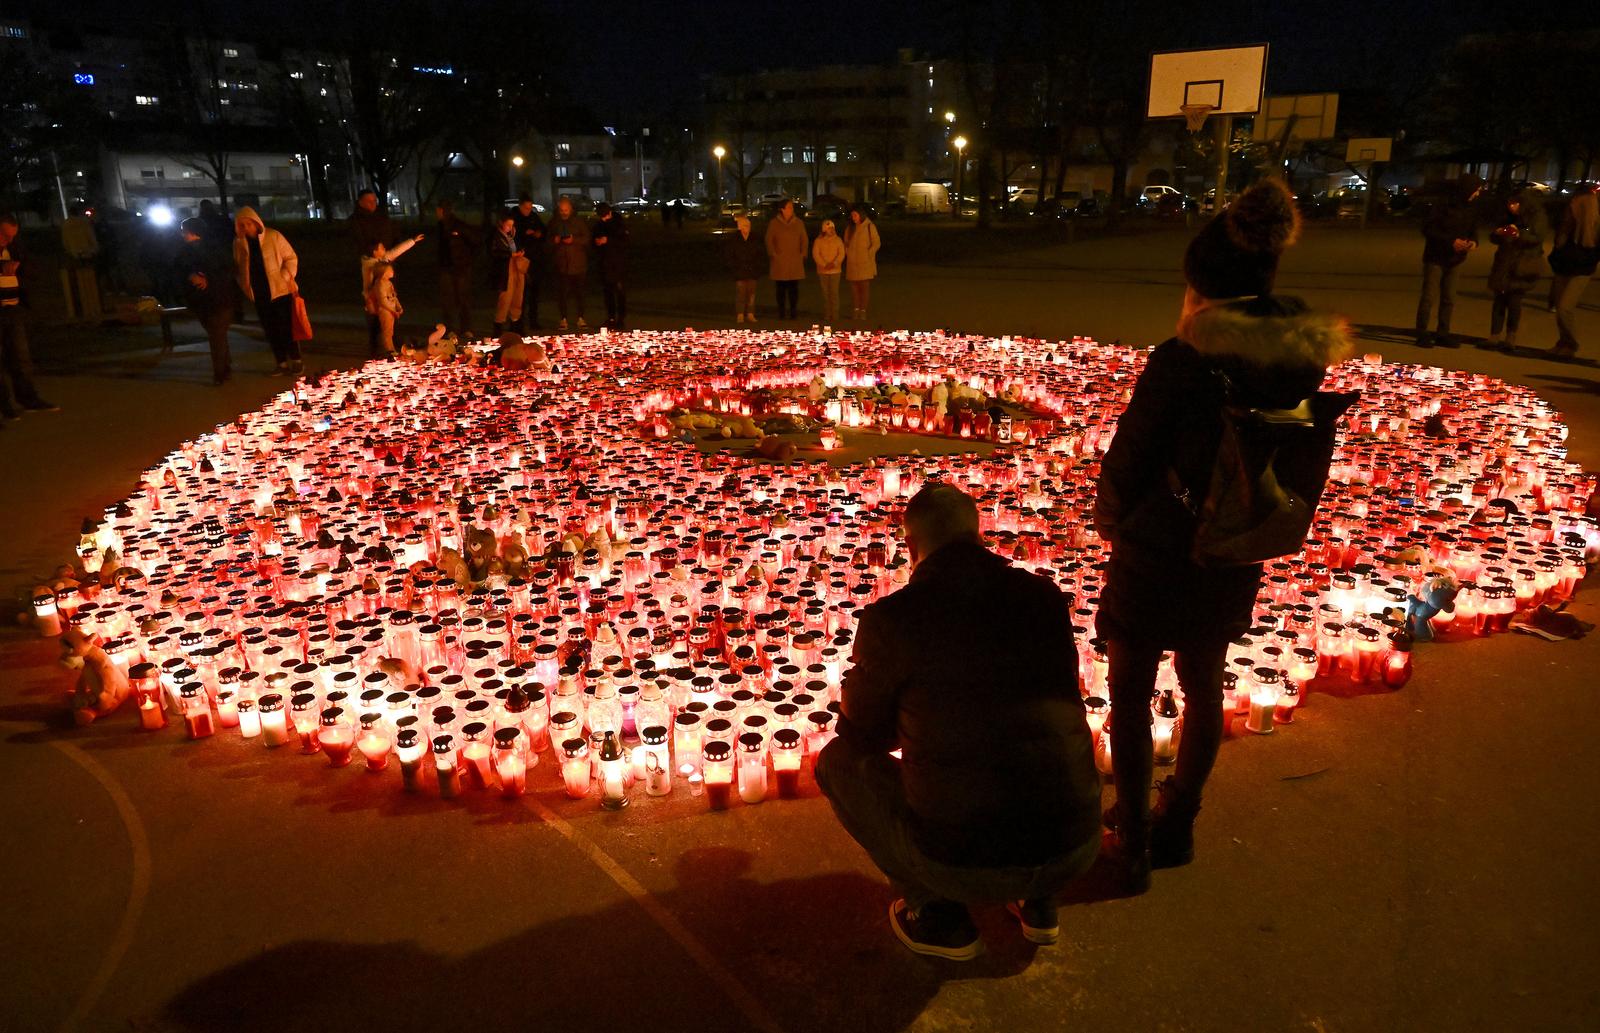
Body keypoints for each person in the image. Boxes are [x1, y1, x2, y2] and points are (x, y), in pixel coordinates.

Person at [1094, 179, 1353, 892]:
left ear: (1203, 292)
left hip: (1159, 548)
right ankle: (1180, 821)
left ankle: (1134, 837)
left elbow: (1131, 453)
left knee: (1131, 691)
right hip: (1235, 546)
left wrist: (1111, 520)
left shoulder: (1182, 362)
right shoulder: (1295, 361)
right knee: (1203, 685)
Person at [816, 484, 1100, 960]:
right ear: (977, 533)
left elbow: (860, 732)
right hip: (1074, 846)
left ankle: (937, 911)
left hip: (964, 861)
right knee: (1033, 749)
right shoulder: (1043, 597)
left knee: (838, 764)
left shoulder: (896, 618)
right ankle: (1039, 901)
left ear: (909, 546)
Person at [0, 213, 60, 420]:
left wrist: (17, 270)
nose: (8, 240)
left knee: (20, 356)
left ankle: (28, 398)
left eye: (12, 236)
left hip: (13, 309)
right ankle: (5, 405)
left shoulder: (14, 248)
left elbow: (32, 270)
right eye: (4, 235)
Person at [231, 206, 301, 376]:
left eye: (248, 224)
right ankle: (281, 362)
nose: (246, 228)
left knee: (286, 326)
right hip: (259, 291)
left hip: (280, 289)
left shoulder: (273, 236)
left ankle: (296, 359)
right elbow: (238, 266)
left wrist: (285, 275)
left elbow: (291, 257)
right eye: (242, 225)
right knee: (270, 328)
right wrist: (245, 285)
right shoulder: (239, 243)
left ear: (256, 222)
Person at [1414, 174, 1482, 348]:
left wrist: (1473, 242)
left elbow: (1474, 229)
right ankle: (1422, 333)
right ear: (1467, 189)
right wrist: (1451, 241)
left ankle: (1442, 333)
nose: (1478, 194)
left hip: (1456, 259)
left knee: (1449, 298)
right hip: (1435, 257)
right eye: (1476, 190)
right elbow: (1428, 229)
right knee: (1429, 296)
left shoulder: (1471, 207)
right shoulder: (1442, 205)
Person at [1484, 189, 1548, 353]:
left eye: (1514, 203)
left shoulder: (1537, 216)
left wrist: (1519, 235)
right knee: (1499, 300)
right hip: (1504, 262)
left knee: (1514, 302)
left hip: (1522, 263)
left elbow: (1538, 238)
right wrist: (1498, 233)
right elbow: (1493, 236)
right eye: (1509, 203)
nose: (1511, 207)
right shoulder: (1506, 216)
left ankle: (1511, 337)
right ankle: (1494, 335)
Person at [176, 218, 238, 385]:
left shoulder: (205, 250)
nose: (182, 233)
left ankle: (220, 372)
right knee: (218, 334)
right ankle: (225, 368)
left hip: (215, 299)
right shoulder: (192, 250)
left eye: (184, 230)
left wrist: (205, 277)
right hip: (209, 300)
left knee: (216, 335)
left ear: (192, 231)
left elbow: (226, 269)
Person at [1548, 183, 1599, 359]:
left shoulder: (1593, 226)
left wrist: (1588, 260)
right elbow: (1558, 241)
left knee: (1564, 307)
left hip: (1581, 269)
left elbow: (1594, 251)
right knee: (1559, 305)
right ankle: (1562, 342)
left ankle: (1571, 343)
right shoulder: (1567, 217)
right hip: (1563, 265)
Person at [363, 232, 424, 357]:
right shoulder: (370, 266)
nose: (384, 249)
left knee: (387, 326)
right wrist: (368, 300)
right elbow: (368, 286)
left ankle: (391, 347)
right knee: (379, 327)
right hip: (376, 302)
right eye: (381, 248)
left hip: (383, 302)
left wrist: (412, 241)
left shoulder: (382, 262)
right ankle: (383, 350)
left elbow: (395, 251)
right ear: (375, 252)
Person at [350, 190, 394, 352]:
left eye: (374, 201)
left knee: (388, 300)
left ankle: (390, 337)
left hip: (384, 262)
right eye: (369, 201)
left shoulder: (381, 217)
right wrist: (373, 250)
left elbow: (391, 235)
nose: (372, 204)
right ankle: (375, 342)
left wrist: (386, 252)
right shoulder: (356, 220)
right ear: (360, 202)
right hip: (369, 263)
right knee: (372, 302)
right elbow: (357, 242)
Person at [545, 197, 591, 331]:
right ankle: (563, 318)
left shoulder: (578, 222)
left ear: (570, 209)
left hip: (578, 264)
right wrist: (555, 240)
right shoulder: (554, 223)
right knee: (562, 294)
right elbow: (547, 241)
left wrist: (574, 240)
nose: (564, 212)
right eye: (561, 210)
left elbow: (587, 238)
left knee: (580, 294)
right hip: (562, 265)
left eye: (566, 210)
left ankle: (580, 318)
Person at [434, 202, 479, 335]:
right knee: (448, 300)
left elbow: (475, 241)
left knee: (463, 298)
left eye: (438, 210)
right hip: (446, 268)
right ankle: (450, 329)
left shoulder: (459, 225)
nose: (437, 213)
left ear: (442, 210)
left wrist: (466, 259)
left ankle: (466, 328)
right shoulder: (441, 226)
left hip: (460, 267)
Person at [765, 199, 808, 319]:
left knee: (794, 288)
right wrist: (773, 253)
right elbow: (769, 240)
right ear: (782, 209)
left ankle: (793, 311)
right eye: (788, 207)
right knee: (781, 289)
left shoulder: (799, 223)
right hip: (780, 261)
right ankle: (781, 312)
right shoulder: (774, 223)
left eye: (792, 207)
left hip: (794, 260)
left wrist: (803, 254)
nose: (791, 209)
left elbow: (804, 239)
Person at [590, 202, 629, 330]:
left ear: (609, 213)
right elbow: (593, 240)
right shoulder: (599, 225)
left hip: (618, 263)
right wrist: (597, 242)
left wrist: (609, 241)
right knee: (608, 292)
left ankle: (621, 318)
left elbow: (624, 241)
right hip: (604, 263)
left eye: (605, 216)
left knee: (620, 292)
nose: (603, 219)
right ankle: (611, 317)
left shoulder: (619, 223)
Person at [487, 213, 527, 335]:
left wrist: (520, 252)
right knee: (505, 297)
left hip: (516, 267)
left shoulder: (511, 236)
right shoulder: (495, 236)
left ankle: (516, 324)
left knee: (517, 296)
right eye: (508, 225)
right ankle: (499, 325)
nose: (510, 227)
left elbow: (516, 246)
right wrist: (510, 255)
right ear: (501, 223)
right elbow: (494, 252)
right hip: (505, 269)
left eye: (512, 225)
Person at [60, 205, 102, 322]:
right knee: (92, 280)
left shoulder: (66, 224)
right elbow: (91, 237)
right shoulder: (84, 223)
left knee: (77, 282)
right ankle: (94, 306)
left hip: (74, 255)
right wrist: (94, 249)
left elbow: (65, 242)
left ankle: (82, 307)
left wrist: (71, 251)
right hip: (88, 254)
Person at [510, 197, 546, 330]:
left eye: (531, 207)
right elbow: (513, 237)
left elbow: (543, 231)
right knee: (520, 293)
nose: (529, 210)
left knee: (534, 292)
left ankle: (533, 320)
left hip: (535, 259)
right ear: (520, 206)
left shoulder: (534, 217)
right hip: (521, 259)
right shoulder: (515, 218)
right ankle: (517, 321)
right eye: (526, 208)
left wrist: (538, 234)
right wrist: (525, 235)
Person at [724, 215, 765, 322]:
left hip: (752, 270)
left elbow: (760, 254)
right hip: (740, 270)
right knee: (740, 293)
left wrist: (758, 267)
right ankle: (740, 313)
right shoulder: (734, 239)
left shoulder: (754, 238)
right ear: (740, 227)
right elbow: (730, 255)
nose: (747, 228)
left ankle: (750, 313)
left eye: (748, 226)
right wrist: (734, 267)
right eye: (745, 226)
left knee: (751, 294)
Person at [844, 205, 882, 321]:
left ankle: (863, 310)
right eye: (852, 216)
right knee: (854, 289)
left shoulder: (869, 226)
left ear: (861, 215)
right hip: (852, 263)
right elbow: (846, 243)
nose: (854, 218)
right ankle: (856, 310)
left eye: (855, 215)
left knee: (864, 288)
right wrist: (848, 253)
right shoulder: (850, 228)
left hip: (865, 263)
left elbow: (876, 243)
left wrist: (868, 253)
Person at [812, 218, 845, 324]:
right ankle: (827, 313)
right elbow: (816, 254)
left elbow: (841, 254)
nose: (831, 230)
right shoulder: (818, 241)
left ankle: (835, 314)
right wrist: (824, 264)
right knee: (825, 293)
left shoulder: (838, 240)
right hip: (823, 271)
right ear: (824, 230)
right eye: (829, 228)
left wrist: (834, 263)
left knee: (834, 293)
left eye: (832, 228)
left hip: (835, 271)